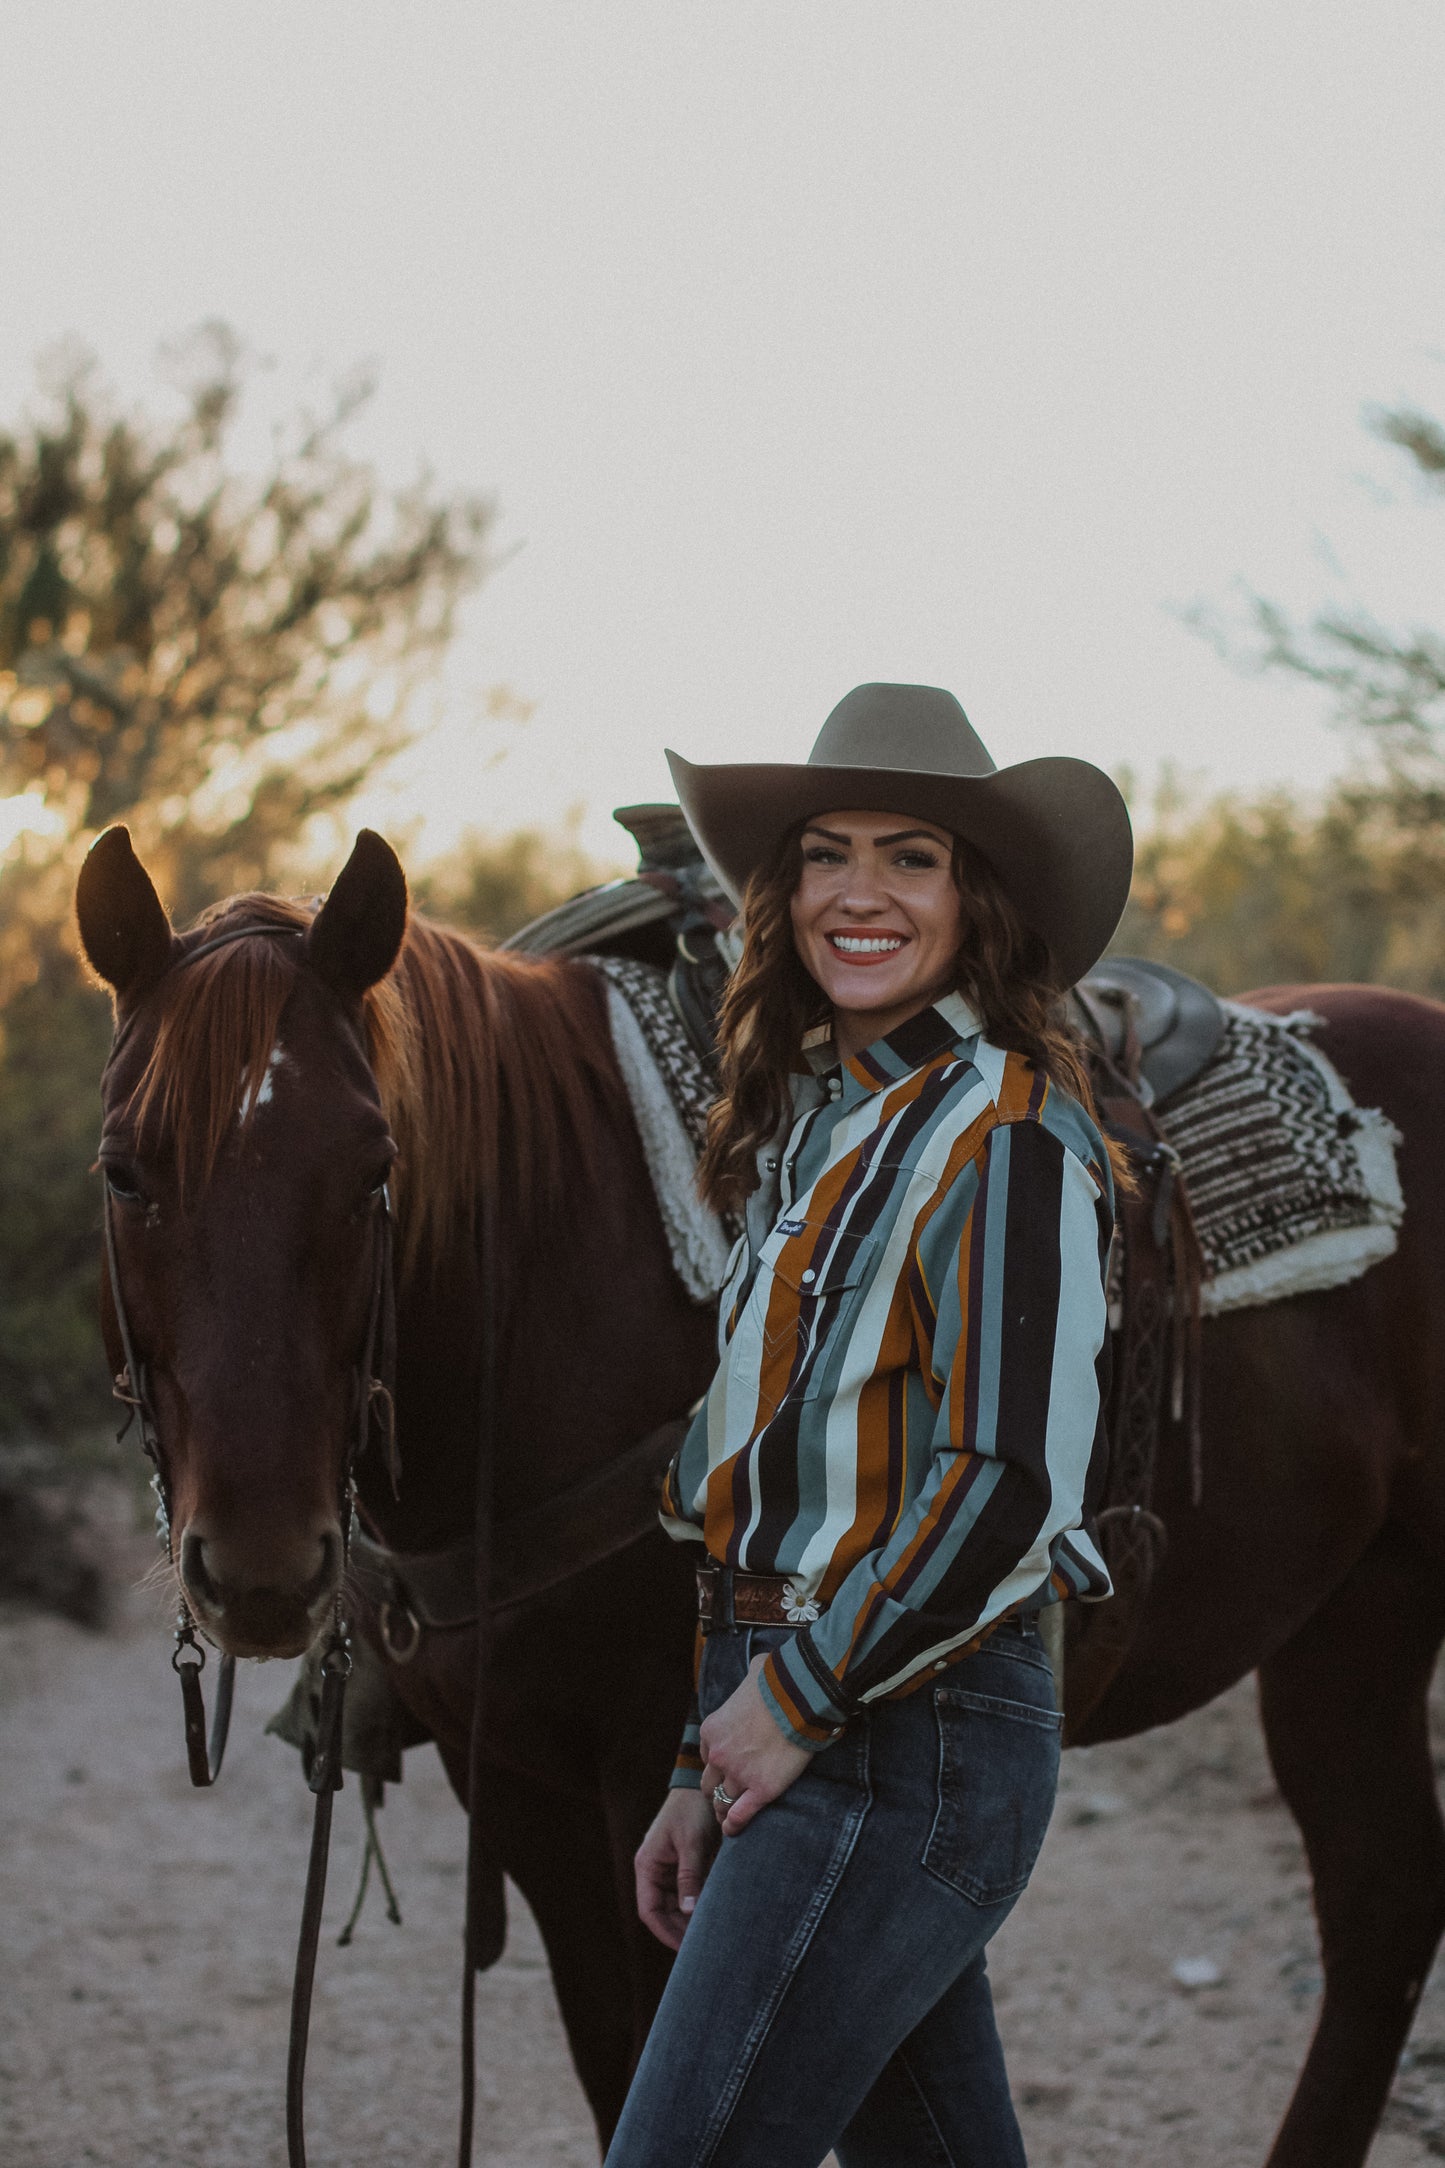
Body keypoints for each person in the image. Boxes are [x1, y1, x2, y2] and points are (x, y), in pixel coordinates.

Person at [605, 683, 1133, 2168]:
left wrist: (796, 1700)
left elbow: (1009, 1481)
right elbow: (754, 1492)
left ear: (977, 901)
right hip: (796, 1703)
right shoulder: (816, 1133)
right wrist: (693, 1755)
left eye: (912, 857)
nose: (859, 893)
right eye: (826, 853)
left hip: (913, 1727)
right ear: (781, 896)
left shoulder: (1007, 1131)